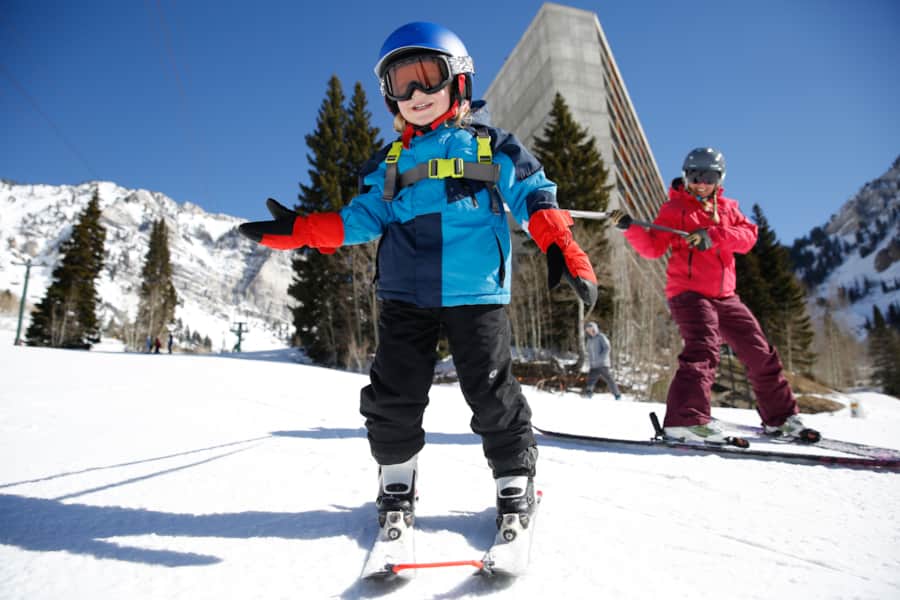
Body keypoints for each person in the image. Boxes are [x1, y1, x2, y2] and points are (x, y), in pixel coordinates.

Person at [239, 22, 597, 534]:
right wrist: (305, 230)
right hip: (406, 295)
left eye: (428, 77)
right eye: (401, 83)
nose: (415, 94)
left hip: (475, 294)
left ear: (460, 82)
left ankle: (514, 479)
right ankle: (396, 481)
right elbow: (363, 217)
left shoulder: (490, 147)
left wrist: (560, 242)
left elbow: (533, 194)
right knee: (393, 395)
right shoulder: (389, 161)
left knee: (491, 391)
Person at [609, 147, 819, 443]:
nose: (700, 182)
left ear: (719, 178)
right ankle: (685, 420)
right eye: (694, 175)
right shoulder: (675, 210)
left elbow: (748, 238)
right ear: (686, 176)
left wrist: (714, 234)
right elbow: (653, 248)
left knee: (760, 352)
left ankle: (781, 417)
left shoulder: (729, 209)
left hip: (726, 296)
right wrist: (629, 228)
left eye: (708, 176)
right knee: (703, 348)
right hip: (689, 293)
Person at [583, 321, 621, 400]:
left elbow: (607, 348)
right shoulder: (589, 340)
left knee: (609, 379)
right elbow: (589, 351)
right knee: (590, 379)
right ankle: (588, 394)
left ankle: (617, 395)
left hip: (603, 364)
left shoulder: (601, 337)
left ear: (595, 329)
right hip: (593, 364)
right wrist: (588, 360)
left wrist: (601, 358)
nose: (590, 331)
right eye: (588, 330)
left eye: (591, 329)